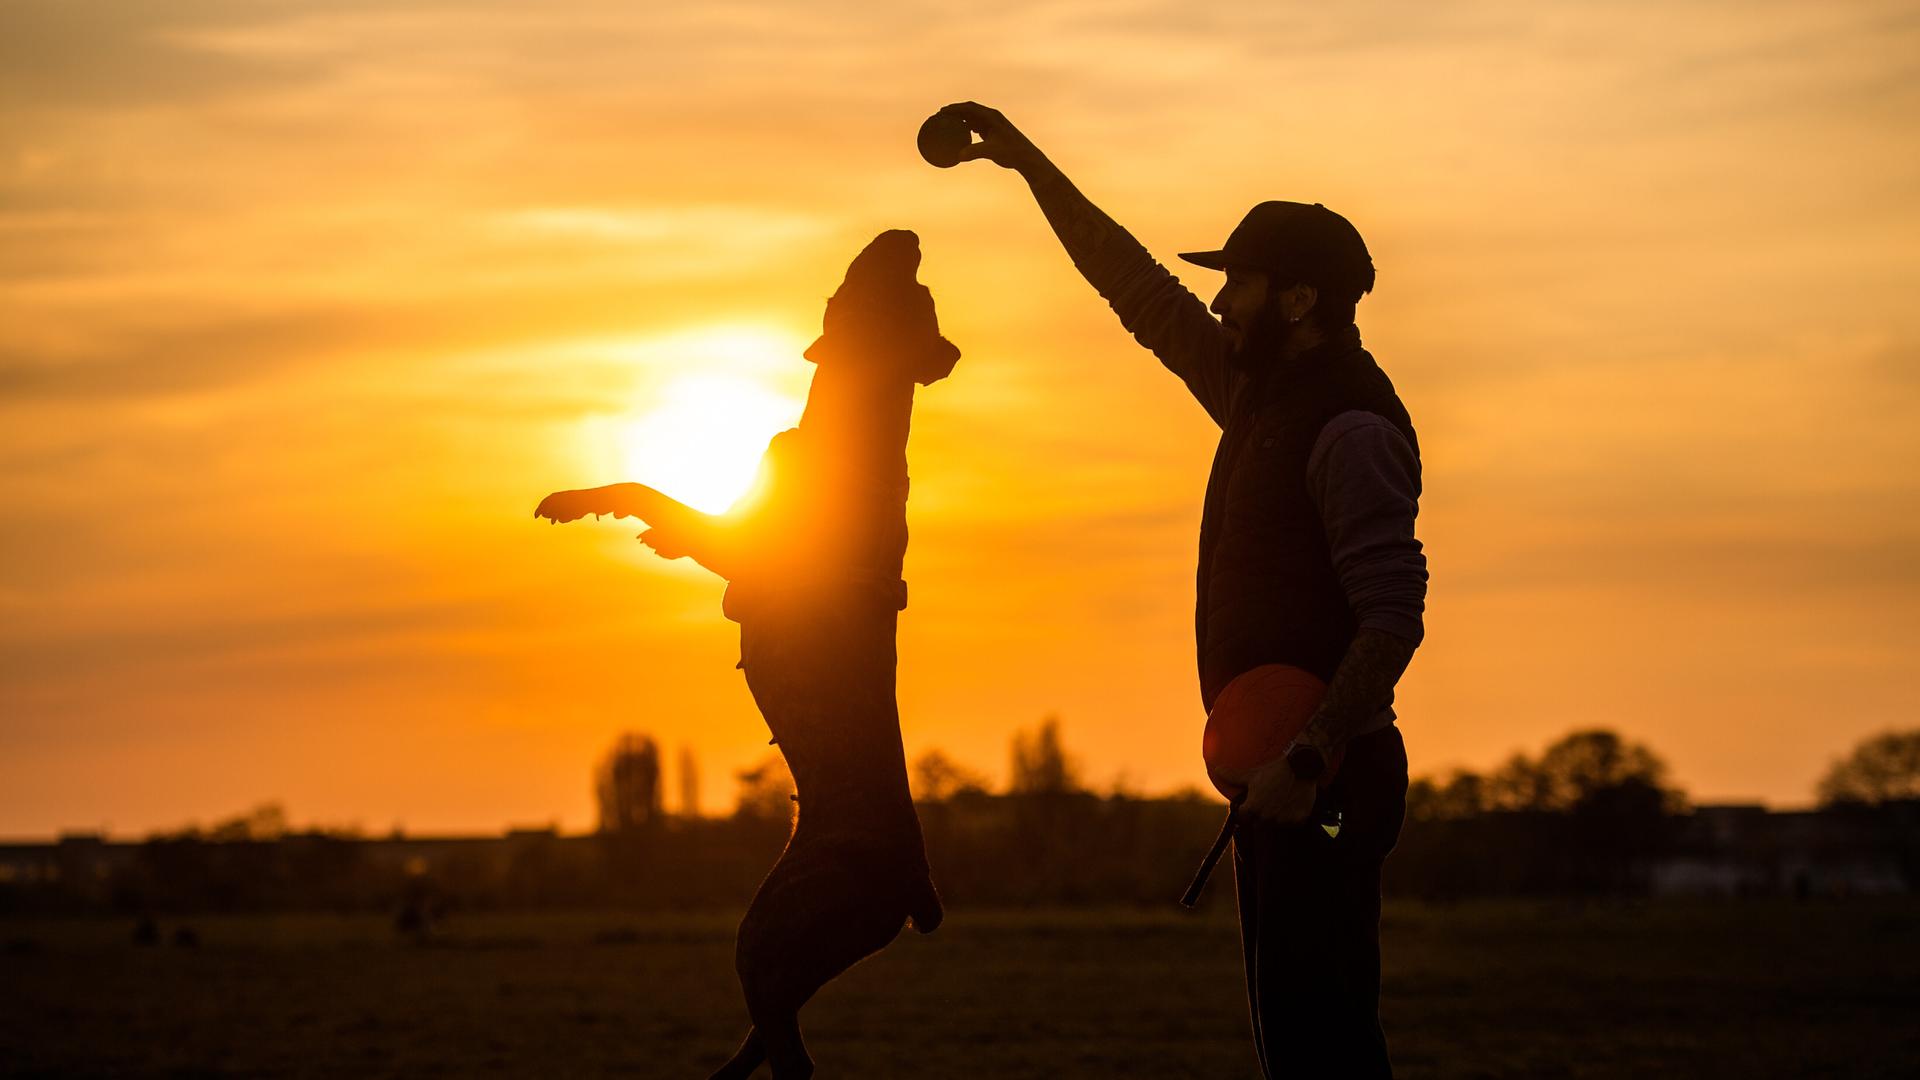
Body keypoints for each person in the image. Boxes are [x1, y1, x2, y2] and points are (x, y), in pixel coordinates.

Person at [933, 102, 1427, 1078]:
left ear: (1296, 301)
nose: (1215, 304)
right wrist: (1027, 162)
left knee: (1324, 1048)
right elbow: (1137, 289)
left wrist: (1308, 755)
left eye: (1236, 284)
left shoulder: (1352, 428)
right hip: (1280, 784)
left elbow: (1393, 617)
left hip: (1327, 785)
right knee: (1294, 1046)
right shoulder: (1258, 394)